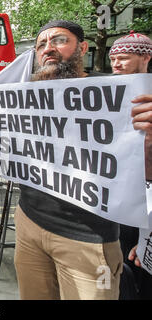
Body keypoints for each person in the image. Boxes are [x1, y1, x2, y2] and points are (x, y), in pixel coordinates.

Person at [0, 20, 150, 300]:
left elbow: (143, 171)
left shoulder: (117, 97)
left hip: (88, 239)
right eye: (41, 44)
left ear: (82, 47)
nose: (48, 49)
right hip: (29, 224)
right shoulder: (23, 97)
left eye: (58, 40)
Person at [109, 32, 152, 299]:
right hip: (120, 201)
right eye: (113, 58)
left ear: (145, 57)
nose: (116, 64)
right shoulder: (110, 93)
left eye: (123, 58)